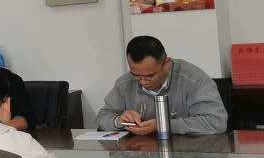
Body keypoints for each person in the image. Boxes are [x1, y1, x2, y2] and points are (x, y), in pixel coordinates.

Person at [96, 35, 227, 135]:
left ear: (166, 64)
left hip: (187, 155)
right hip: (141, 156)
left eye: (150, 76)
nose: (143, 82)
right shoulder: (125, 83)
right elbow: (102, 117)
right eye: (136, 75)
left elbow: (216, 122)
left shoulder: (193, 80)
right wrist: (119, 120)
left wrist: (163, 125)